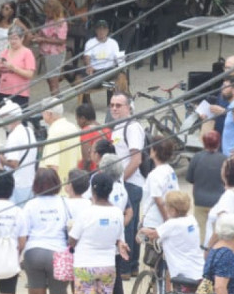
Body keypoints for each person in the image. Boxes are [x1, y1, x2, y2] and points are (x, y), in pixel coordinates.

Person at [69, 172, 131, 294]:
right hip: (107, 265)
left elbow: (73, 239)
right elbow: (119, 239)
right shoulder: (116, 213)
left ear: (92, 189)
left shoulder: (86, 213)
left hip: (85, 265)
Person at [22, 168, 72, 294]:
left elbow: (24, 234)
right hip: (58, 253)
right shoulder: (64, 203)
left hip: (34, 252)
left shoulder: (30, 205)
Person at [109, 92, 145, 279]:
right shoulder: (118, 127)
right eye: (112, 104)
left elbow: (136, 159)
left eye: (119, 105)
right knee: (129, 225)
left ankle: (126, 267)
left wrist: (120, 180)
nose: (114, 108)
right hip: (124, 182)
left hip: (131, 183)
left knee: (128, 225)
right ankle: (131, 266)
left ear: (128, 107)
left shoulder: (132, 127)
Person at [141, 191, 205, 284]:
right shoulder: (192, 219)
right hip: (199, 269)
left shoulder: (171, 224)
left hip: (181, 271)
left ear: (173, 210)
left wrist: (142, 230)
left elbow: (152, 234)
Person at [187, 130, 227, 237]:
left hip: (200, 200)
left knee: (201, 232)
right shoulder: (224, 159)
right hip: (219, 200)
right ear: (219, 143)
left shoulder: (196, 158)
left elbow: (190, 178)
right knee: (217, 232)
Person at [0, 100, 37, 206]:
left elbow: (14, 163)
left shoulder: (14, 136)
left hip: (17, 184)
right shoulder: (28, 130)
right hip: (30, 181)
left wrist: (0, 157)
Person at [207, 157, 234, 247]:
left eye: (223, 168)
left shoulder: (229, 196)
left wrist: (209, 247)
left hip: (222, 246)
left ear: (226, 173)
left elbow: (223, 225)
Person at [140, 137, 179, 232]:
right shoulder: (170, 170)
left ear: (155, 151)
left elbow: (159, 200)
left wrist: (166, 220)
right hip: (169, 216)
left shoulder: (155, 174)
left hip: (155, 222)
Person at [0, 25, 36, 109]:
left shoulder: (27, 53)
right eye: (10, 39)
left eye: (15, 39)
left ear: (22, 38)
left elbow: (30, 74)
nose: (13, 41)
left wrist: (13, 68)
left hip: (20, 92)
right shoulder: (4, 52)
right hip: (4, 90)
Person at [34, 0, 69, 95]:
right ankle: (54, 98)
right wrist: (38, 36)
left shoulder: (61, 22)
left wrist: (43, 39)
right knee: (49, 79)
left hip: (55, 53)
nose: (47, 14)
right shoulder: (48, 20)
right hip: (45, 53)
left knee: (53, 80)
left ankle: (55, 101)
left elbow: (62, 40)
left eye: (48, 12)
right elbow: (43, 32)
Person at [75, 102, 108, 170]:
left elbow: (87, 159)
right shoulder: (107, 129)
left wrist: (83, 176)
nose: (77, 123)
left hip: (94, 173)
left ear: (83, 118)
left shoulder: (86, 132)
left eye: (77, 119)